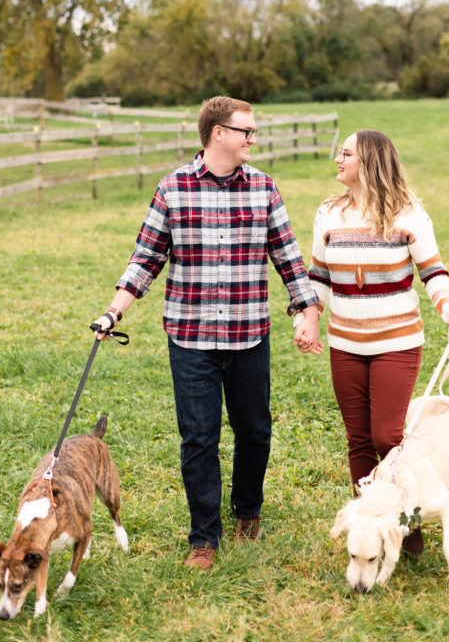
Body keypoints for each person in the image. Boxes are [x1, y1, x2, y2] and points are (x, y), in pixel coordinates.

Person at [92, 96, 322, 571]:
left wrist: (308, 312)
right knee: (199, 438)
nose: (252, 139)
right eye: (246, 131)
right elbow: (146, 259)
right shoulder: (173, 188)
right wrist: (112, 313)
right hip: (190, 336)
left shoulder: (264, 188)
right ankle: (204, 538)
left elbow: (288, 259)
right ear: (219, 132)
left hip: (249, 335)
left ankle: (248, 512)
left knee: (255, 432)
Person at [307, 129, 449, 552]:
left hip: (397, 341)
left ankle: (408, 521)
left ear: (370, 162)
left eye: (345, 154)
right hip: (345, 343)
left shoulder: (409, 214)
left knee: (387, 437)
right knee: (358, 439)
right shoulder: (328, 213)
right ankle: (370, 526)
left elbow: (433, 271)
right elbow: (319, 278)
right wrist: (307, 318)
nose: (337, 161)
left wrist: (447, 305)